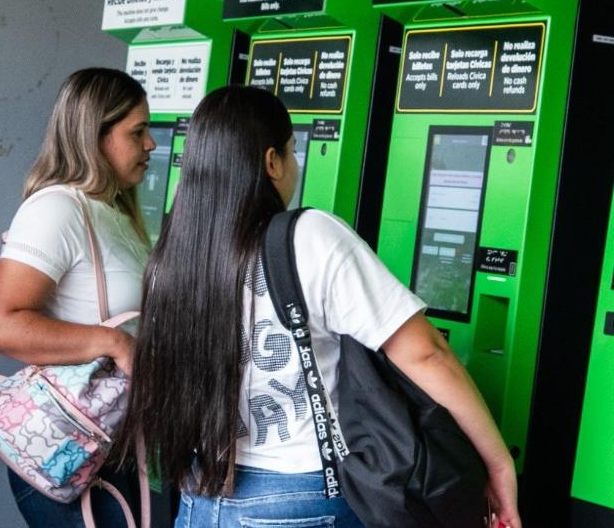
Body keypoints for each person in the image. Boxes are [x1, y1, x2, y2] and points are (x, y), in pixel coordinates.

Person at [116, 86, 519, 528]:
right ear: (271, 161)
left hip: (201, 498)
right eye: (292, 152)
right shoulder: (308, 235)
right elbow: (426, 353)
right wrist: (499, 465)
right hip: (301, 498)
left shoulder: (171, 256)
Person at [0, 68, 154, 527]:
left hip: (109, 445)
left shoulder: (113, 212)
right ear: (95, 137)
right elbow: (0, 325)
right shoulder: (56, 208)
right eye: (137, 132)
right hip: (73, 446)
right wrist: (113, 342)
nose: (151, 144)